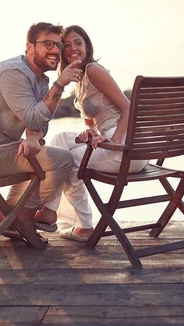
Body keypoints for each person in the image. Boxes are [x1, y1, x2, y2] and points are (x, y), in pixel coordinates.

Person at [0, 22, 83, 232]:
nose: (56, 50)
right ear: (29, 47)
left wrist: (33, 138)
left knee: (36, 153)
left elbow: (40, 122)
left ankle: (10, 212)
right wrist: (60, 84)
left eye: (58, 45)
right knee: (63, 159)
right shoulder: (14, 73)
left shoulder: (39, 80)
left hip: (2, 151)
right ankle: (22, 215)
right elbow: (35, 118)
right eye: (48, 44)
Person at [37, 25, 148, 241]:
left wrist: (115, 141)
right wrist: (91, 131)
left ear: (87, 46)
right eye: (66, 45)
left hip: (125, 148)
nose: (73, 48)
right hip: (124, 144)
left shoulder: (93, 70)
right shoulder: (79, 79)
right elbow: (98, 120)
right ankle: (50, 209)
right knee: (60, 140)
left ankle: (83, 225)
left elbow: (128, 107)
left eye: (78, 42)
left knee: (66, 160)